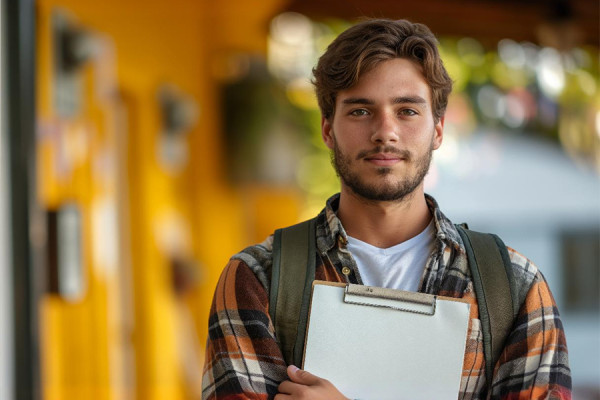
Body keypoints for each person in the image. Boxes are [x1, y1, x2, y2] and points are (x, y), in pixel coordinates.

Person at [201, 19, 571, 400]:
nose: (385, 131)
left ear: (438, 129)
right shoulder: (258, 280)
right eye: (361, 111)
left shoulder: (513, 286)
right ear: (328, 129)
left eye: (407, 111)